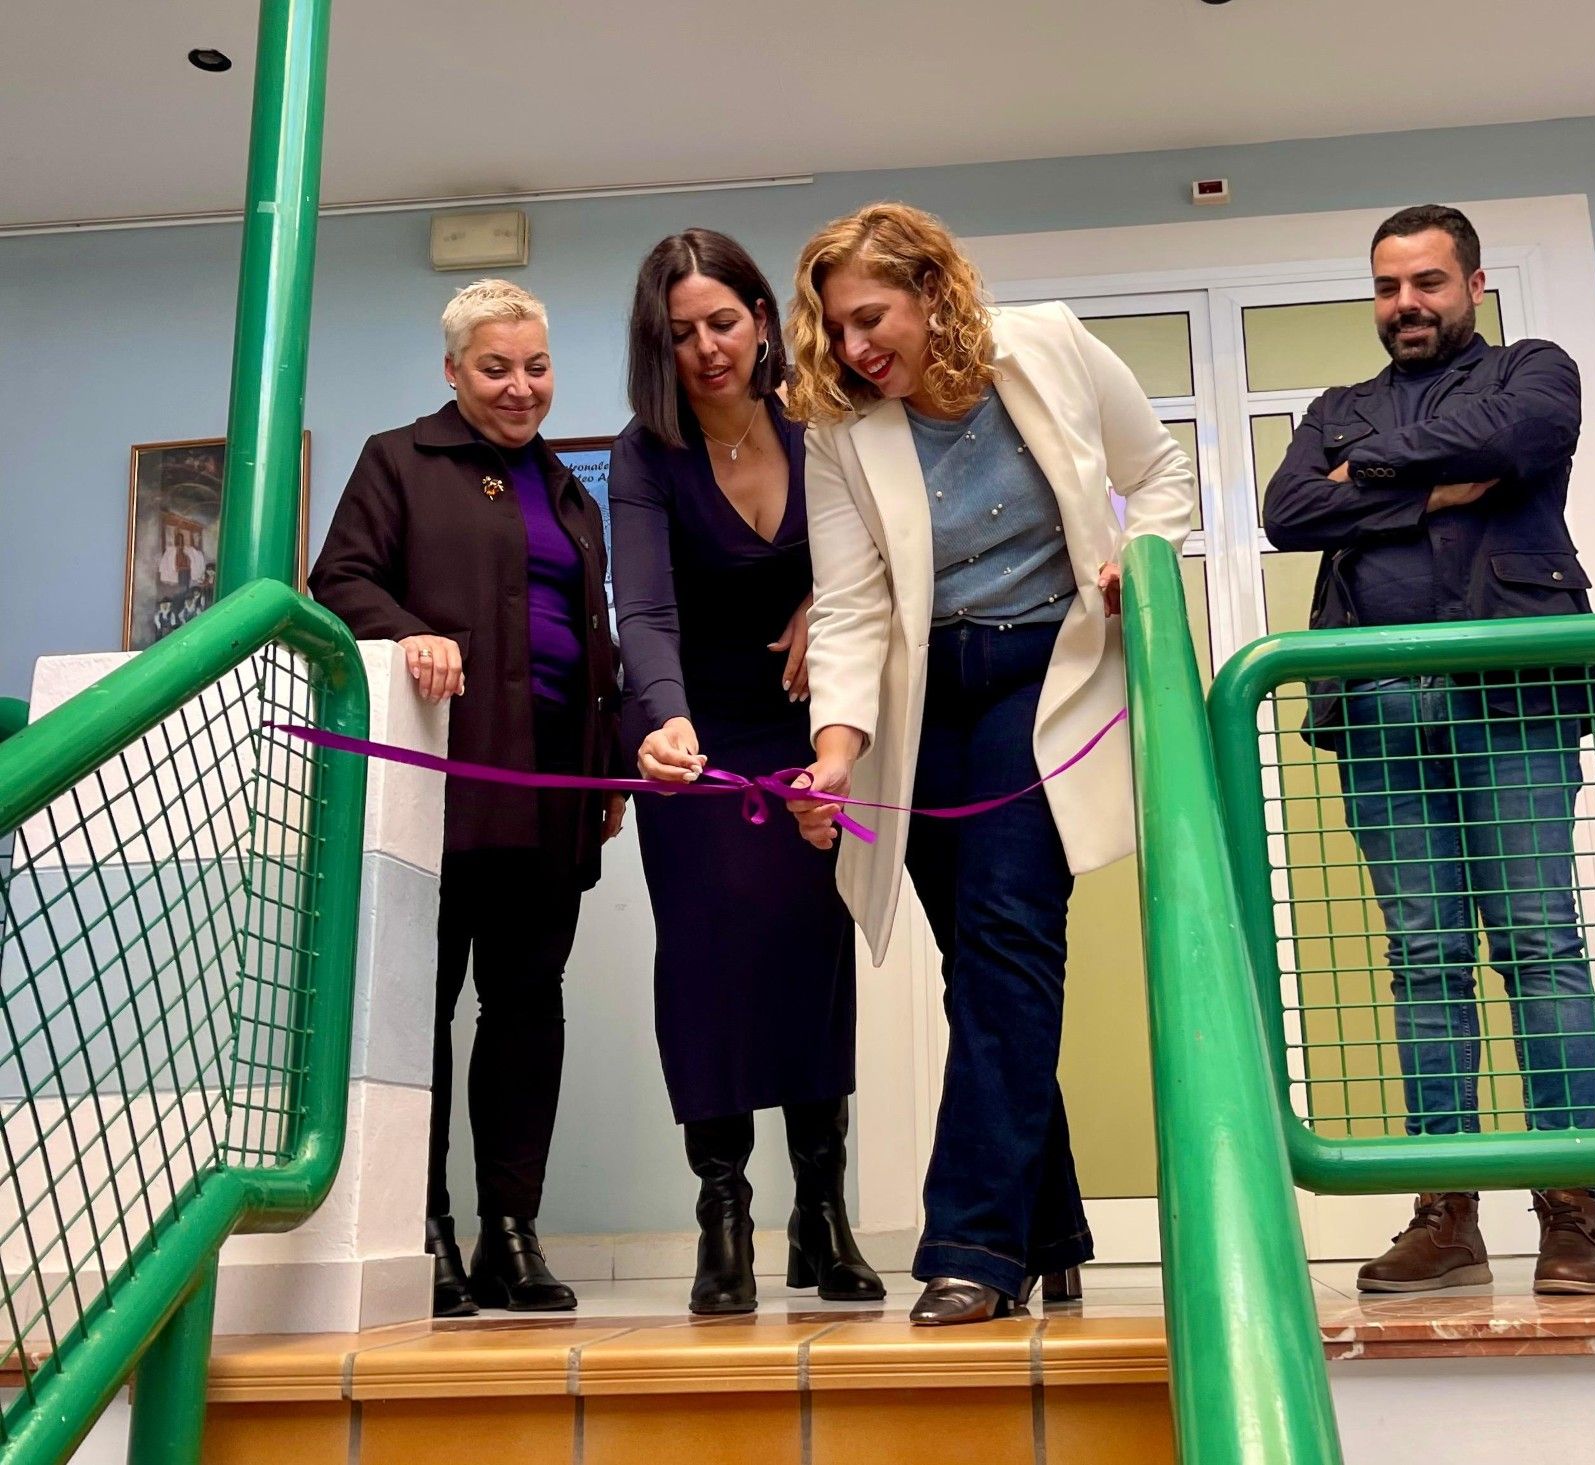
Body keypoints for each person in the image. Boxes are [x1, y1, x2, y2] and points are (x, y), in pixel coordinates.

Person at [784, 203, 1195, 1325]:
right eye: (839, 329)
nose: (859, 348)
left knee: (1012, 937)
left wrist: (1137, 559)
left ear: (931, 289)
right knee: (979, 971)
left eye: (872, 316)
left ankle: (974, 1244)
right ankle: (1052, 1226)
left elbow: (1160, 474)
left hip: (1040, 677)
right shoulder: (841, 434)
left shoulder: (1051, 344)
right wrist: (833, 757)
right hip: (929, 710)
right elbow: (859, 608)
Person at [1264, 204, 1595, 1296]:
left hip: (1513, 690)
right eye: (1387, 286)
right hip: (1378, 701)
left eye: (1427, 282)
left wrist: (1362, 477)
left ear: (1470, 284)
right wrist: (1422, 483)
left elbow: (1515, 444)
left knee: (1537, 941)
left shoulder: (1533, 369)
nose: (1406, 303)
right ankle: (1445, 1210)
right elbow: (1285, 513)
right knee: (1422, 954)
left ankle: (1571, 1212)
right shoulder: (1334, 405)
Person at [310, 279, 625, 1317]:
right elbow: (338, 578)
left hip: (555, 784)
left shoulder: (571, 494)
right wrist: (409, 632)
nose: (520, 385)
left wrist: (612, 758)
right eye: (497, 367)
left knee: (529, 1006)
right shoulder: (400, 460)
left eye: (536, 366)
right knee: (428, 1010)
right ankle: (427, 1229)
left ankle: (509, 1233)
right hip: (445, 787)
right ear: (454, 371)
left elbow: (592, 637)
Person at [608, 229, 881, 1316]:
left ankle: (822, 1208)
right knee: (710, 957)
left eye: (723, 322)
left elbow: (883, 550)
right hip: (695, 742)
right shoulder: (644, 453)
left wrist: (829, 600)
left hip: (810, 728)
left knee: (813, 949)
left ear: (764, 318)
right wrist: (666, 725)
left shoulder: (825, 421)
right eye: (680, 334)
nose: (708, 349)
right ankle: (725, 1210)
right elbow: (649, 611)